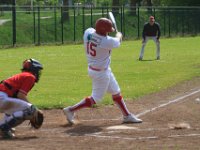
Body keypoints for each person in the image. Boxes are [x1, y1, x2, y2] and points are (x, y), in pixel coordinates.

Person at [63, 18, 142, 125]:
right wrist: (119, 35)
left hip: (98, 69)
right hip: (100, 73)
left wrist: (113, 34)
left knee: (116, 91)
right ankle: (70, 110)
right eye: (107, 30)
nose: (109, 32)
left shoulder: (88, 33)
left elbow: (95, 32)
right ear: (103, 30)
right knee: (96, 98)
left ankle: (127, 115)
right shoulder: (107, 41)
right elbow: (118, 41)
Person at [0, 58, 43, 139]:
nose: (38, 73)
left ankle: (5, 125)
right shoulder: (30, 76)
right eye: (37, 70)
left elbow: (17, 98)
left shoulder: (23, 75)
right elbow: (21, 95)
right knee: (31, 110)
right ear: (33, 69)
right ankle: (3, 128)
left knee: (18, 107)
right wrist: (34, 109)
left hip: (2, 97)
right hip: (2, 97)